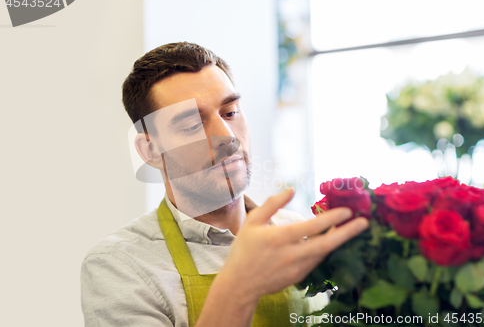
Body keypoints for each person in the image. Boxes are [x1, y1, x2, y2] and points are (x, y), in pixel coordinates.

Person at [80, 42, 369, 327]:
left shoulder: (301, 234)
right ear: (151, 152)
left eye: (230, 112)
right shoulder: (119, 265)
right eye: (192, 125)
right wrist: (240, 283)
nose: (227, 137)